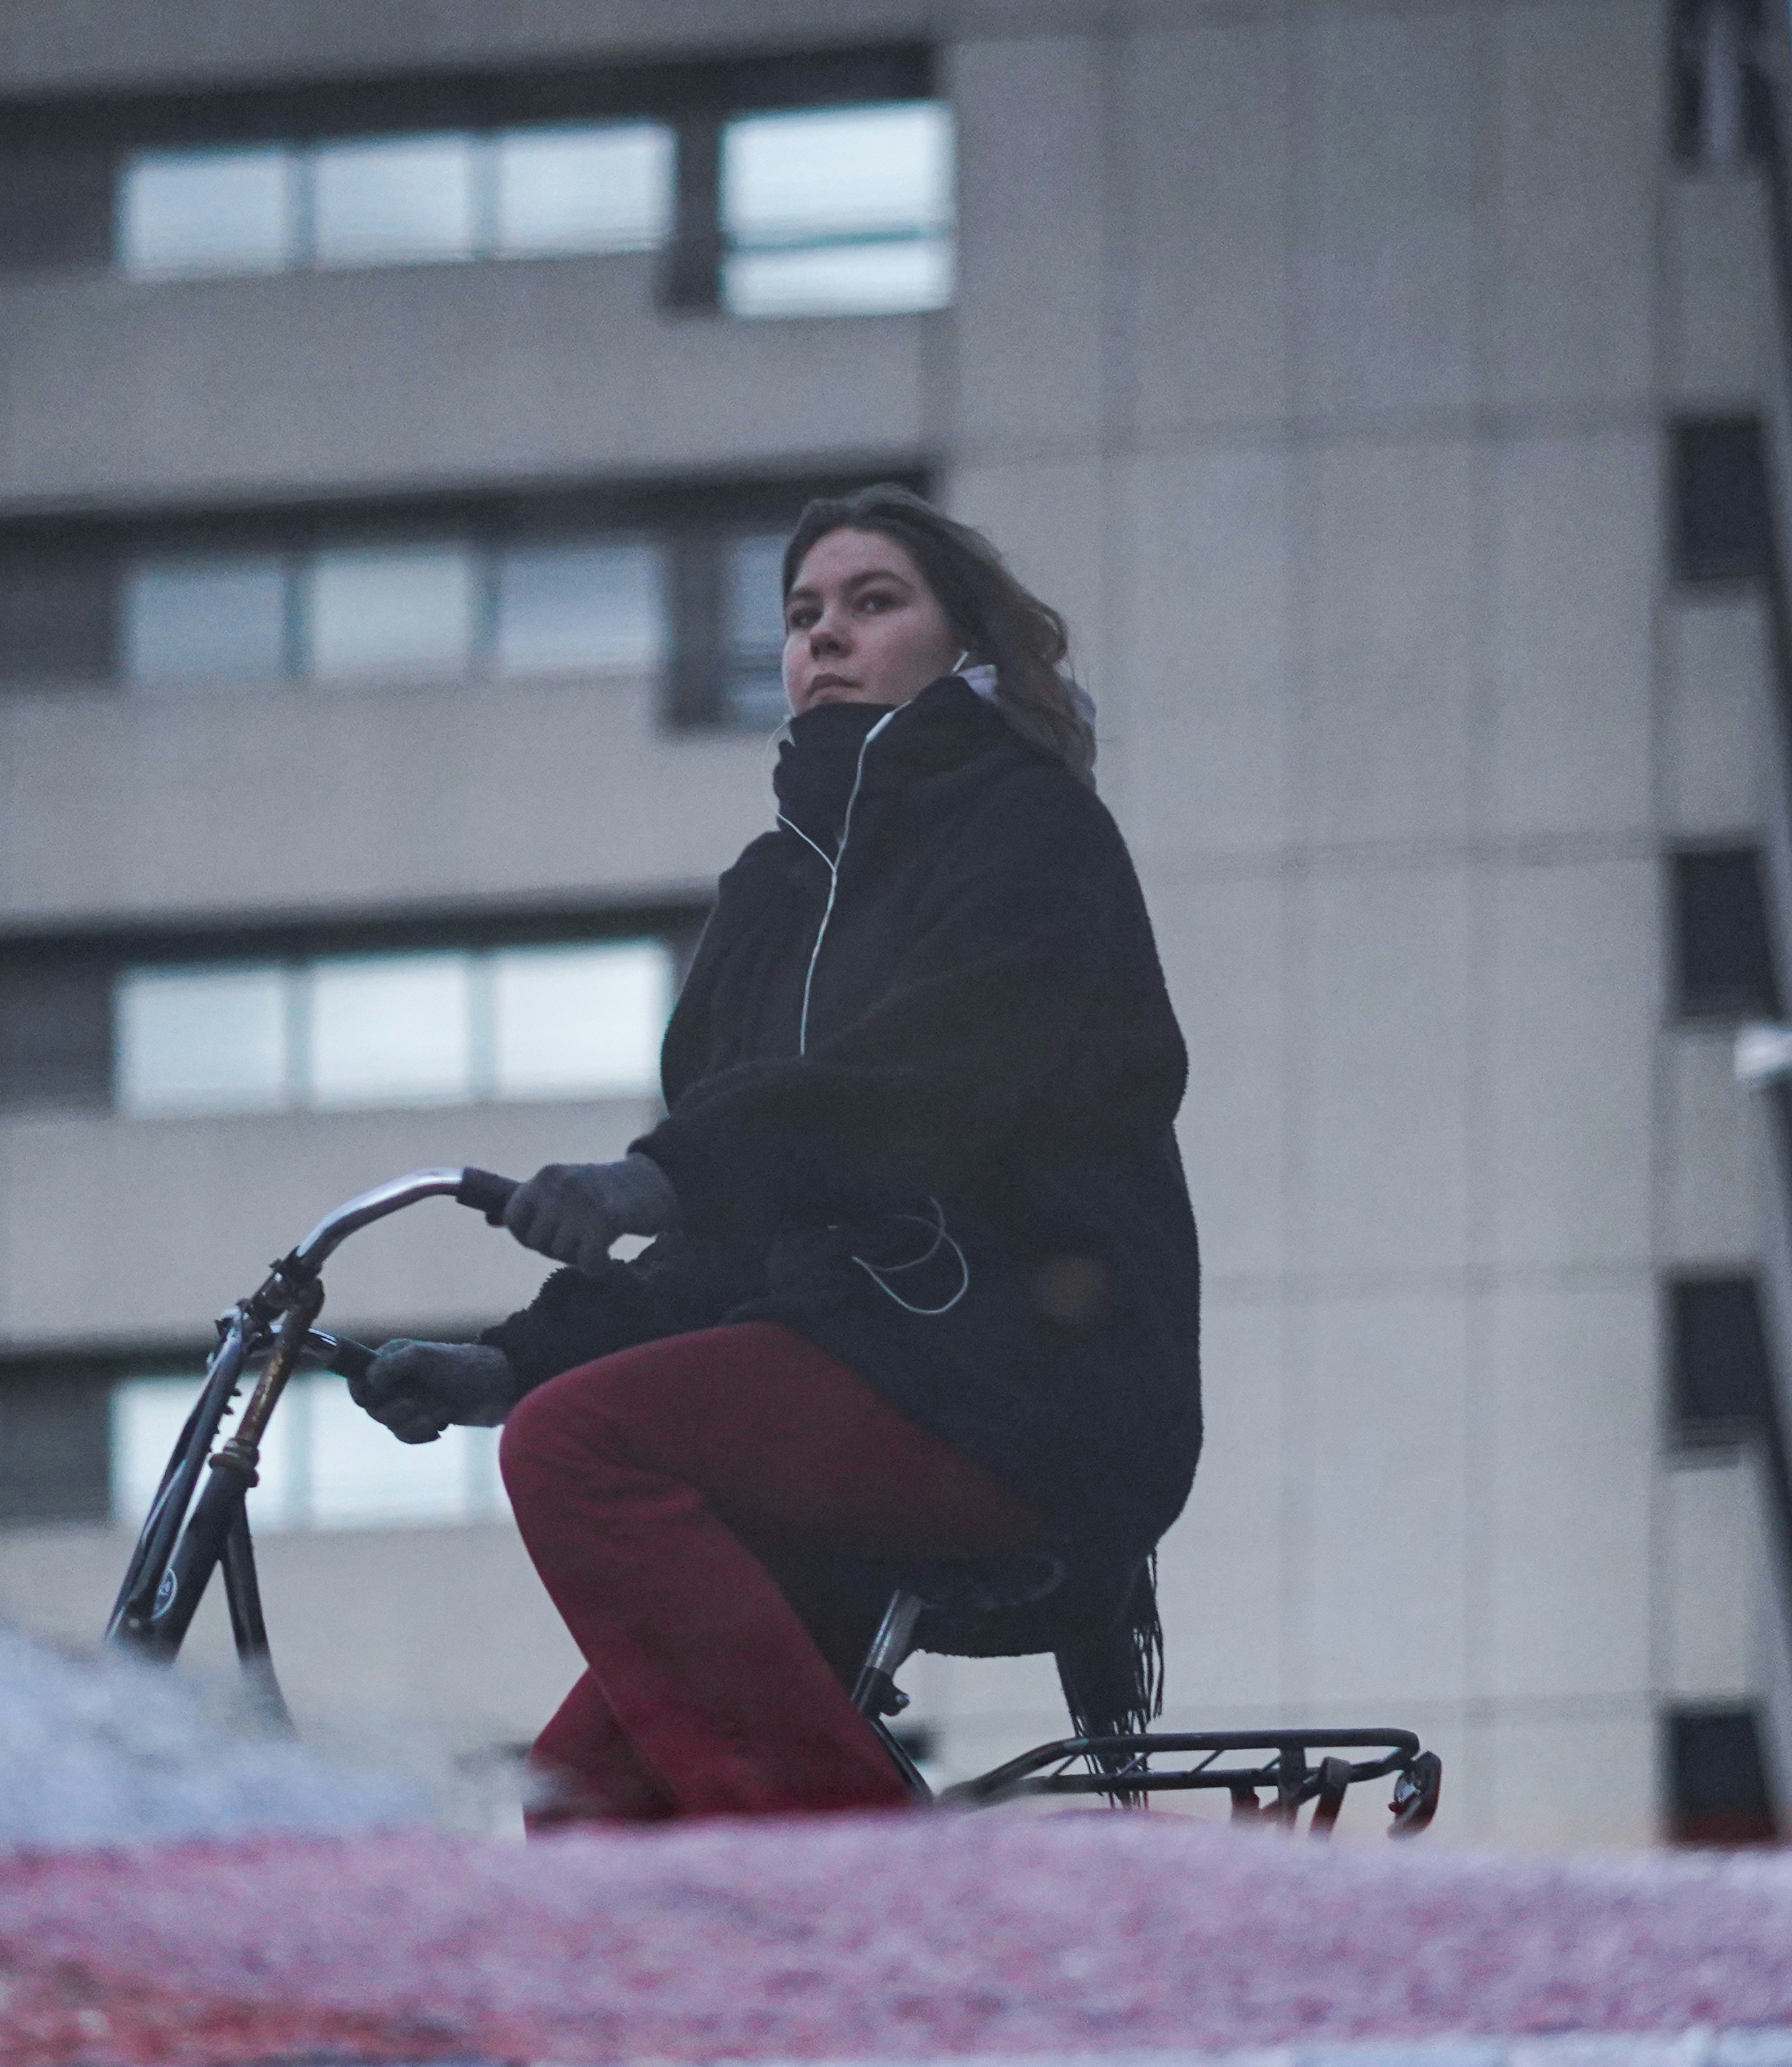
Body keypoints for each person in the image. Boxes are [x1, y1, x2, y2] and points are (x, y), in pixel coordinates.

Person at [355, 484, 1201, 1824]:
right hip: (843, 1382)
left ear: (966, 644)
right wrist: (511, 1360)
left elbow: (932, 1080)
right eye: (803, 614)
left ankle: (869, 1887)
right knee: (584, 1802)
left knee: (579, 1448)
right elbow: (722, 1246)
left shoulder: (1028, 834)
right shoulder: (768, 898)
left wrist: (663, 1170)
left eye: (874, 603)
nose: (826, 636)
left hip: (1023, 1379)